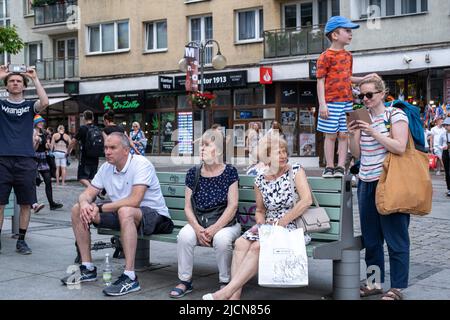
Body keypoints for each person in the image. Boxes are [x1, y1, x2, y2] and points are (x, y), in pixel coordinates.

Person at [61, 132, 174, 296]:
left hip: (156, 217)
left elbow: (135, 200)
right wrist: (85, 204)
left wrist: (98, 208)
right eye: (106, 148)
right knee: (77, 209)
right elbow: (87, 193)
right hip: (122, 213)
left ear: (126, 150)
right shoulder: (106, 167)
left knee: (126, 210)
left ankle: (130, 277)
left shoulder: (141, 164)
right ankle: (87, 268)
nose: (107, 152)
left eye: (112, 148)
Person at [202, 135, 312, 300]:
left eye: (284, 151)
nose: (283, 155)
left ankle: (225, 293)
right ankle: (234, 297)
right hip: (270, 226)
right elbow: (260, 210)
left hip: (293, 226)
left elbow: (306, 201)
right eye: (278, 152)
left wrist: (282, 221)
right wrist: (260, 222)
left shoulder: (295, 170)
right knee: (240, 243)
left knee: (257, 247)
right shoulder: (260, 180)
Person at [348, 76, 410, 301]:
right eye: (361, 96)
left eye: (369, 95)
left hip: (390, 182)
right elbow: (357, 154)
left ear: (382, 94)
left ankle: (398, 288)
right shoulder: (362, 117)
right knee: (372, 240)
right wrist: (354, 133)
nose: (364, 99)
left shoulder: (395, 115)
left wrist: (373, 131)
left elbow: (400, 147)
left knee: (396, 238)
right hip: (366, 182)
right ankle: (374, 283)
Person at [169, 129, 241, 298]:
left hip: (226, 223)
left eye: (207, 145)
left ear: (219, 150)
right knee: (184, 236)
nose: (202, 149)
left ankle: (225, 282)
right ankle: (185, 280)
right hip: (200, 222)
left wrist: (214, 229)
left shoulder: (229, 172)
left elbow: (233, 206)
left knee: (222, 240)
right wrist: (198, 229)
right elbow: (187, 207)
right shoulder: (193, 173)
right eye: (201, 145)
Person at [316, 16, 377, 178]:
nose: (350, 34)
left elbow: (348, 78)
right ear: (335, 35)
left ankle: (341, 166)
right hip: (330, 102)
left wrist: (364, 78)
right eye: (347, 31)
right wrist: (322, 104)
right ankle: (329, 166)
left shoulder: (348, 56)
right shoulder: (325, 56)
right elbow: (320, 81)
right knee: (330, 135)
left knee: (344, 134)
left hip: (347, 101)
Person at [0, 65, 49, 254]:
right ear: (6, 86)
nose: (15, 83)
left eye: (18, 81)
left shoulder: (30, 106)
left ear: (23, 86)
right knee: (0, 203)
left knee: (26, 203)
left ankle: (21, 240)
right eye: (11, 81)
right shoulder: (2, 105)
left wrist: (35, 78)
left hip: (26, 159)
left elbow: (44, 102)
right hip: (2, 159)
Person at [33, 116, 63, 211]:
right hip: (34, 159)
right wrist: (37, 141)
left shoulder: (45, 133)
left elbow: (47, 146)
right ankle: (34, 204)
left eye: (42, 122)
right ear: (35, 123)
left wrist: (48, 146)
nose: (41, 123)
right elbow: (33, 148)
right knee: (33, 182)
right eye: (39, 122)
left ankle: (51, 203)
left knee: (48, 181)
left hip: (44, 159)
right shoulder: (32, 132)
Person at [68, 110, 101, 188]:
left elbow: (73, 141)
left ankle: (94, 190)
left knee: (81, 177)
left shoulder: (83, 128)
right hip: (95, 156)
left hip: (85, 157)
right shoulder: (96, 128)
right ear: (92, 118)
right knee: (91, 177)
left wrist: (68, 151)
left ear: (84, 118)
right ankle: (93, 194)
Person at [438, 117, 450, 197]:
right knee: (447, 172)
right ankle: (449, 189)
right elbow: (439, 144)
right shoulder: (443, 134)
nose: (446, 127)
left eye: (447, 125)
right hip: (445, 153)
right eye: (445, 125)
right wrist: (443, 147)